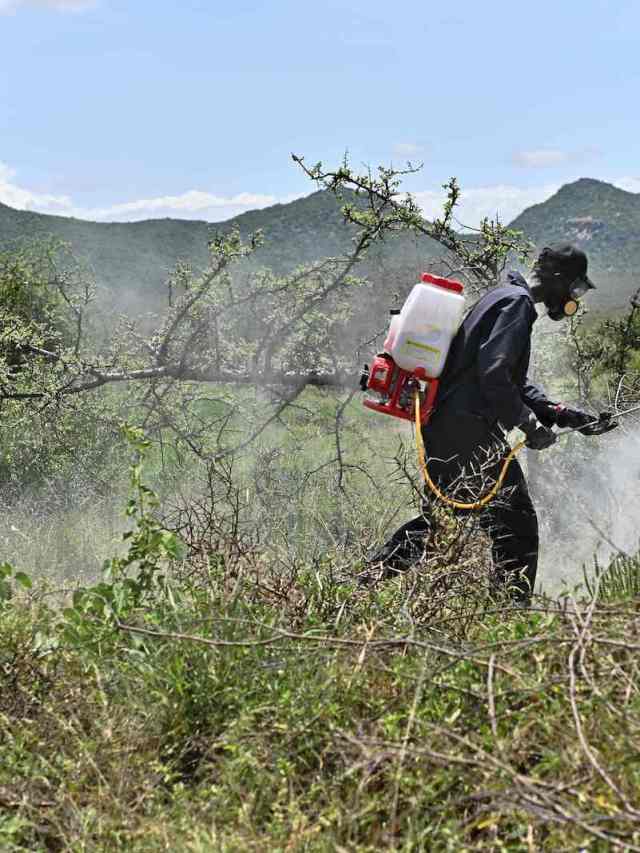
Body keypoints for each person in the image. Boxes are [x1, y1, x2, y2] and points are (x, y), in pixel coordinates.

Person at [363, 244, 609, 603]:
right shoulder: (517, 304)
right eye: (575, 289)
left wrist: (558, 413)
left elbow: (509, 378)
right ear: (558, 280)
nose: (574, 298)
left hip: (449, 429)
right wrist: (528, 425)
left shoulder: (505, 297)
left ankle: (363, 584)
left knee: (440, 523)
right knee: (517, 525)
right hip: (468, 432)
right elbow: (494, 373)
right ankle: (512, 614)